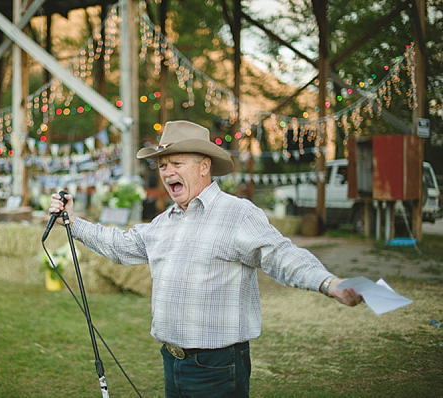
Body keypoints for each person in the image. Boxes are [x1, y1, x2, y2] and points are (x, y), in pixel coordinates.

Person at [48, 120, 363, 398]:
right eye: (162, 166)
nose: (168, 171)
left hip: (218, 367)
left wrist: (329, 283)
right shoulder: (164, 221)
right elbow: (118, 244)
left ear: (204, 167)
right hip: (172, 361)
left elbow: (280, 256)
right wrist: (72, 222)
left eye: (177, 163)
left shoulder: (238, 213)